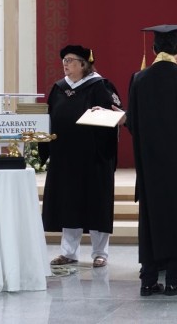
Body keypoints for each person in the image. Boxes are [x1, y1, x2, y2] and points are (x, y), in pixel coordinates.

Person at [126, 24, 177, 296]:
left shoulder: (139, 79)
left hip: (150, 163)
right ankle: (174, 279)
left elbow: (132, 122)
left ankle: (148, 280)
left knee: (151, 218)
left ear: (153, 49)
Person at [40, 45, 123, 268]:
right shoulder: (59, 88)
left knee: (96, 204)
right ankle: (68, 253)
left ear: (84, 64)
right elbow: (49, 117)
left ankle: (100, 253)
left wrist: (103, 115)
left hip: (94, 157)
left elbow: (117, 114)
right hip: (65, 157)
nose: (65, 64)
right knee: (69, 203)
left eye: (70, 60)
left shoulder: (100, 85)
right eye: (64, 60)